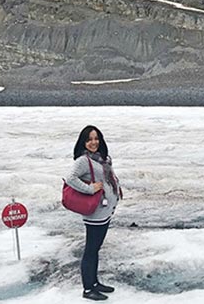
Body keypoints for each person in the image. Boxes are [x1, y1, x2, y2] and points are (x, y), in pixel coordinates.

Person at [65, 125, 122, 301]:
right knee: (90, 250)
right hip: (95, 214)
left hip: (104, 212)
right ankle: (88, 288)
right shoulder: (83, 160)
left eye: (96, 138)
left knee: (95, 249)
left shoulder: (103, 159)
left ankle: (95, 282)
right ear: (83, 142)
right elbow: (70, 179)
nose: (93, 142)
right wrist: (89, 189)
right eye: (89, 139)